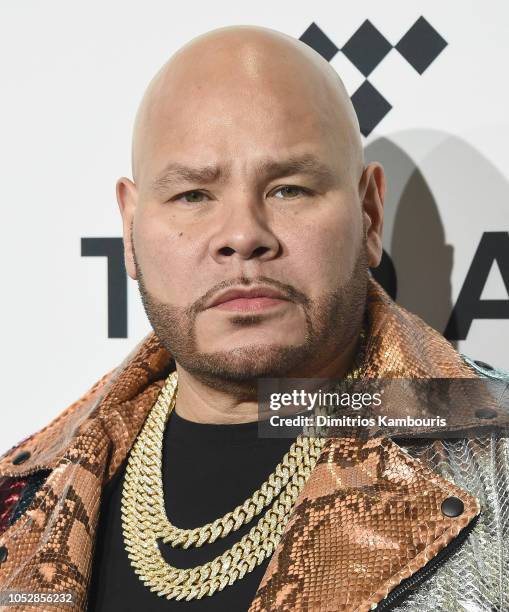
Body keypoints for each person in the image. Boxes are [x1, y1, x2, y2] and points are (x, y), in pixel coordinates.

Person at [0, 24, 508, 612]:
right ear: (131, 228)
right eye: (192, 195)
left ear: (369, 214)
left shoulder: (491, 458)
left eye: (289, 189)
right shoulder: (24, 497)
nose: (242, 236)